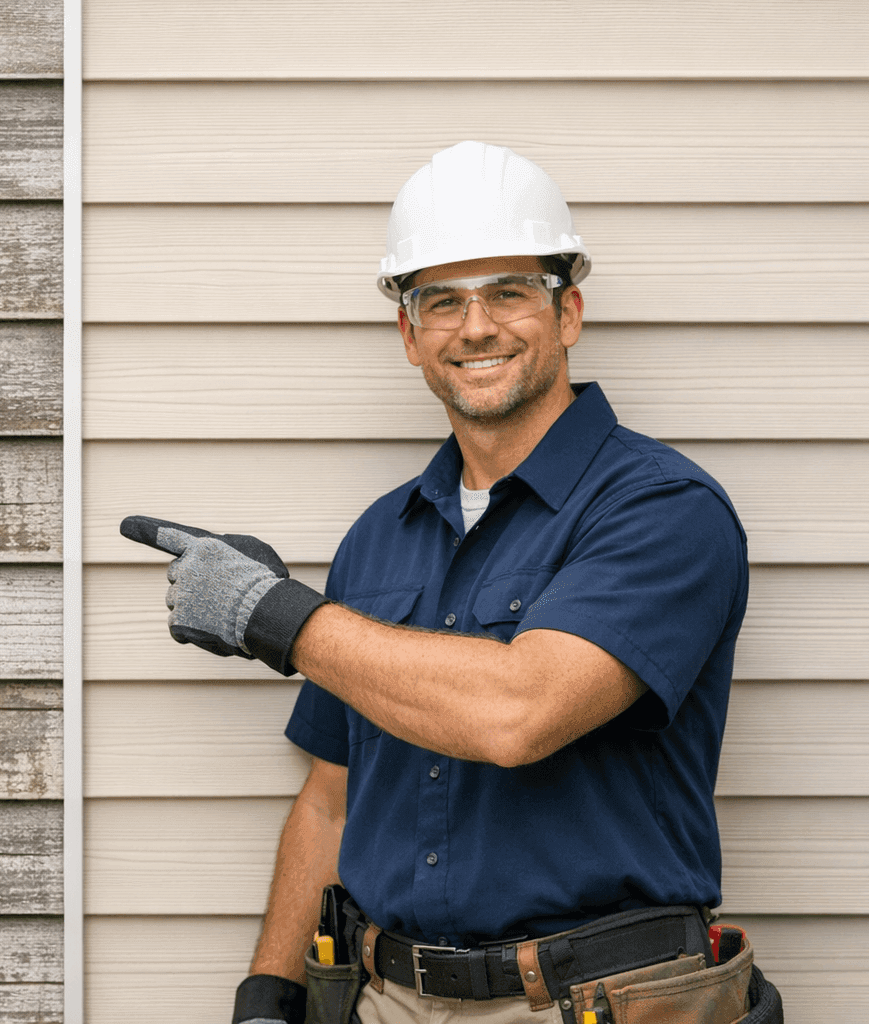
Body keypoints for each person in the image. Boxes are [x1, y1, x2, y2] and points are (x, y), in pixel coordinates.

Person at [121, 141, 781, 1024]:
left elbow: (520, 711)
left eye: (509, 291)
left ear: (568, 312)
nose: (476, 327)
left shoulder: (663, 510)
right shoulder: (378, 538)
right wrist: (267, 996)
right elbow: (331, 800)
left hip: (597, 1002)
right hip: (387, 999)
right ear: (409, 334)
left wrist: (273, 616)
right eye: (442, 302)